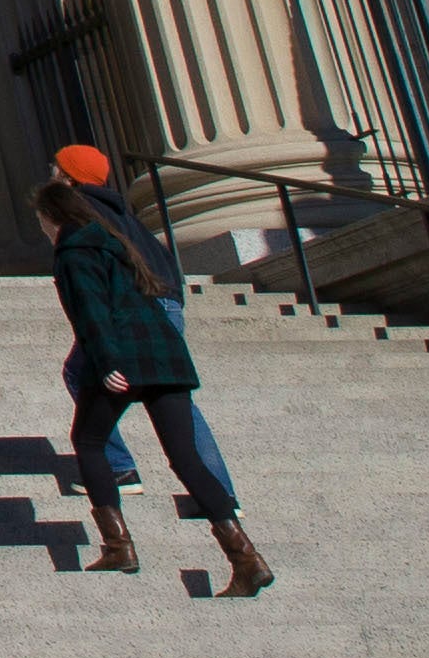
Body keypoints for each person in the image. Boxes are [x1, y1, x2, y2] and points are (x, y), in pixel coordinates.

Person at [40, 144, 276, 595]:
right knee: (183, 455)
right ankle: (246, 557)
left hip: (122, 353)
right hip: (164, 349)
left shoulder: (76, 242)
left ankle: (119, 545)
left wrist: (107, 361)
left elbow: (90, 309)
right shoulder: (121, 227)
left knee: (88, 441)